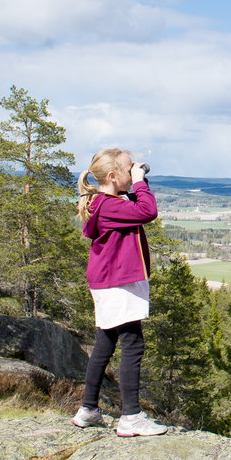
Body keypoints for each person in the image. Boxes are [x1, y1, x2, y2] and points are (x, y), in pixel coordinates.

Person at [71, 147, 170, 436]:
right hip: (118, 283)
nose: (134, 172)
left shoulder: (102, 202)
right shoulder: (109, 205)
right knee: (133, 344)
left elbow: (136, 207)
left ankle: (88, 409)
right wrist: (140, 182)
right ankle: (131, 417)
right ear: (113, 176)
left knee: (105, 343)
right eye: (128, 169)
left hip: (108, 281)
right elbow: (147, 211)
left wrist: (137, 180)